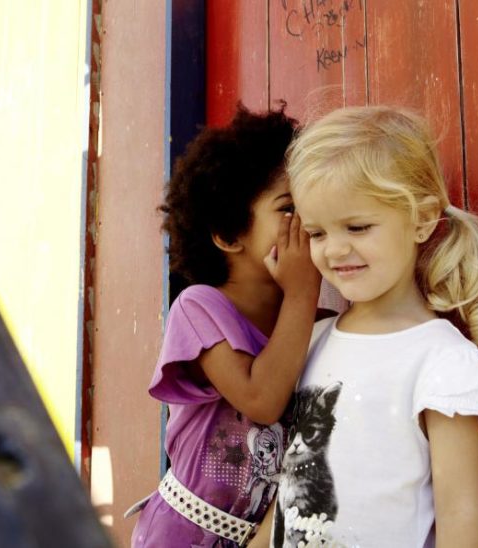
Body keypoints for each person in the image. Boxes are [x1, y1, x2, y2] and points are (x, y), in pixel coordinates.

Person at [267, 106, 478, 548]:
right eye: (317, 233)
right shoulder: (314, 340)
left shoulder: (443, 363)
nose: (335, 249)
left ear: (423, 219)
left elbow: (461, 517)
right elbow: (289, 491)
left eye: (357, 226)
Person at [128, 105, 322, 547]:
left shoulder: (309, 319)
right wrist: (302, 294)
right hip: (180, 535)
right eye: (288, 208)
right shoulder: (199, 308)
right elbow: (261, 399)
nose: (307, 224)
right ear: (230, 235)